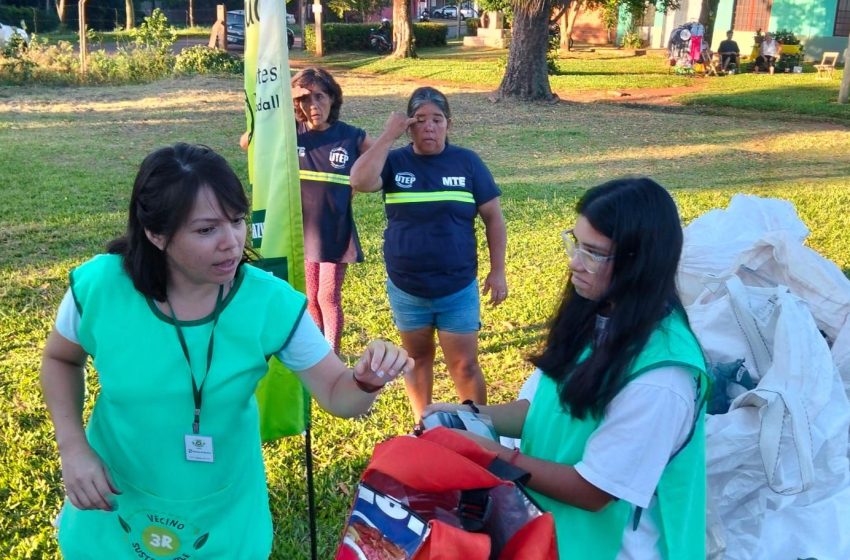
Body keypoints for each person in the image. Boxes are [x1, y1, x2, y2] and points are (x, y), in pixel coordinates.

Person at [40, 143, 412, 558]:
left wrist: (365, 381)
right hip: (112, 506)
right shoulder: (100, 287)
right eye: (206, 230)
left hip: (224, 518)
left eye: (236, 221)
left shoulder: (269, 302)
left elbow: (338, 395)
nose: (231, 243)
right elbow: (60, 359)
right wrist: (73, 449)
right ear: (156, 233)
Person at [423, 177, 708, 559]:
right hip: (550, 533)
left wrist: (494, 455)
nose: (575, 262)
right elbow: (541, 409)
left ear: (639, 262)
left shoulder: (662, 380)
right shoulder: (597, 316)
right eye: (576, 243)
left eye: (593, 253)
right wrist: (471, 415)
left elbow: (594, 491)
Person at [349, 86, 508, 422]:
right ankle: (425, 427)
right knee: (417, 360)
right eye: (420, 120)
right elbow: (359, 181)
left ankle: (478, 429)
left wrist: (498, 271)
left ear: (448, 124)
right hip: (407, 289)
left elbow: (494, 217)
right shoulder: (395, 162)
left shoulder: (467, 163)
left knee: (464, 365)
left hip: (457, 287)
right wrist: (388, 136)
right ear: (409, 126)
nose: (429, 127)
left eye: (437, 119)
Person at [291, 67, 373, 354]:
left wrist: (357, 185)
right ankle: (318, 354)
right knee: (310, 297)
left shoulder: (351, 136)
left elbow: (381, 160)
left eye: (320, 97)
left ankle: (332, 356)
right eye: (304, 99)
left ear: (333, 98)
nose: (313, 106)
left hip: (336, 232)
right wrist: (283, 106)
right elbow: (247, 142)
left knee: (328, 296)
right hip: (304, 232)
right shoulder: (291, 132)